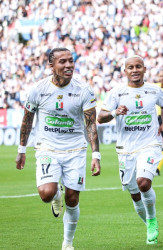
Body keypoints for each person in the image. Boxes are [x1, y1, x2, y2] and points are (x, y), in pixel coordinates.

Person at [15, 48, 101, 250]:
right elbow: (27, 119)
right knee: (46, 194)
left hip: (75, 150)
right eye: (62, 62)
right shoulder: (38, 89)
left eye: (71, 61)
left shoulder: (84, 90)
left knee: (73, 199)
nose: (69, 65)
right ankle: (55, 196)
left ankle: (67, 243)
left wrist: (96, 155)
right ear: (51, 66)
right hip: (47, 148)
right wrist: (21, 150)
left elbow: (91, 124)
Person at [97, 55, 163, 245]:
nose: (135, 70)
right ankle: (148, 223)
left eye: (138, 66)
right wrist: (114, 112)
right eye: (130, 67)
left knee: (143, 182)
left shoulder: (154, 90)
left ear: (145, 69)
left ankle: (152, 220)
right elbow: (100, 117)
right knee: (135, 193)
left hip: (150, 144)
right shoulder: (117, 93)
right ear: (125, 71)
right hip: (125, 149)